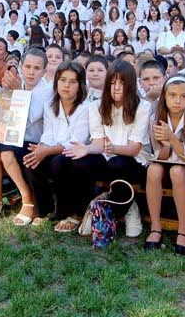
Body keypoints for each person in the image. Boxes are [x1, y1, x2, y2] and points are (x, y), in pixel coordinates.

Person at [64, 60, 150, 236]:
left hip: (133, 161)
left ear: (130, 84)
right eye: (112, 82)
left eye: (122, 83)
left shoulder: (143, 107)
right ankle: (92, 208)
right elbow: (98, 143)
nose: (116, 88)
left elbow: (134, 149)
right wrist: (87, 149)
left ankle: (124, 207)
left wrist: (111, 148)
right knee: (81, 162)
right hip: (106, 157)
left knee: (117, 163)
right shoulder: (96, 106)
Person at [0, 48, 53, 225]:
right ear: (21, 67)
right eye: (27, 67)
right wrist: (8, 93)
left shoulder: (47, 90)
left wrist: (18, 91)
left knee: (7, 153)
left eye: (37, 68)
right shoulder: (15, 84)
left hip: (32, 141)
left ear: (44, 71)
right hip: (11, 136)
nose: (31, 72)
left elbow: (30, 117)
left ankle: (27, 199)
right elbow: (3, 116)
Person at [21, 61, 90, 233]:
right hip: (53, 148)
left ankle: (70, 212)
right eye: (62, 80)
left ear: (80, 86)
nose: (66, 85)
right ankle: (45, 209)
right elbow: (48, 134)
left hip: (78, 153)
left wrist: (46, 151)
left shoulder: (87, 108)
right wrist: (41, 149)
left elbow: (77, 140)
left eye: (72, 82)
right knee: (31, 161)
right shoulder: (50, 106)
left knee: (58, 163)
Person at [145, 74, 185, 255]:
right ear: (164, 96)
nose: (178, 101)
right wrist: (166, 146)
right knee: (154, 170)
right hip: (165, 162)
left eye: (183, 96)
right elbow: (159, 156)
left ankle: (183, 228)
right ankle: (155, 226)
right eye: (173, 95)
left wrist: (171, 137)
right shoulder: (155, 118)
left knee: (177, 171)